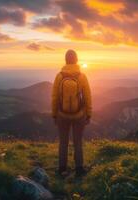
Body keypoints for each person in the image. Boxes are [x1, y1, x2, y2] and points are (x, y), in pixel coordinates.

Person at [51, 49, 92, 177]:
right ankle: (79, 168)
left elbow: (54, 97)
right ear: (76, 60)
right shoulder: (82, 76)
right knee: (78, 141)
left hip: (62, 115)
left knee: (63, 142)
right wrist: (89, 114)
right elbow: (87, 96)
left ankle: (62, 168)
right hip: (79, 115)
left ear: (65, 60)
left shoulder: (59, 76)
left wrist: (54, 114)